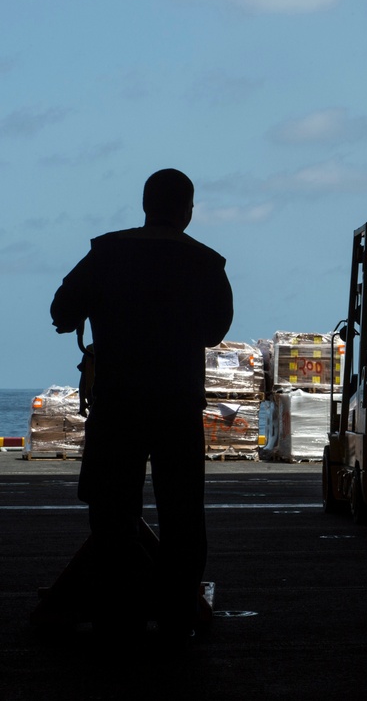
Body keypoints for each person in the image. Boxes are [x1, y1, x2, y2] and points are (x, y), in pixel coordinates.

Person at [50, 168, 233, 645]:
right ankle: (177, 620)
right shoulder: (207, 263)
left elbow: (61, 310)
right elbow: (215, 331)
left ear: (145, 204)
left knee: (113, 519)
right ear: (188, 211)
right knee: (183, 518)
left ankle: (118, 619)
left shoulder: (107, 251)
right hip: (177, 405)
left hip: (118, 405)